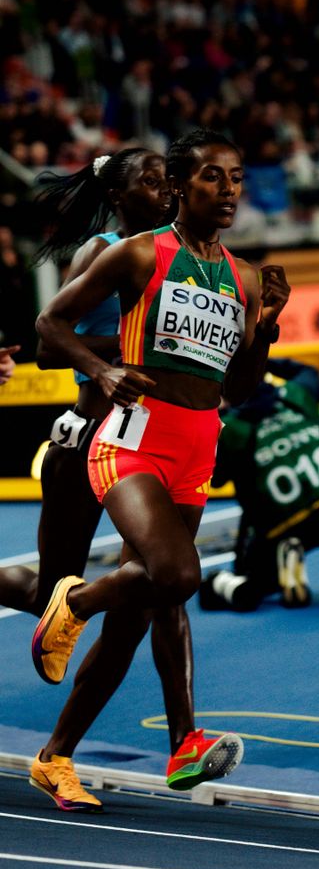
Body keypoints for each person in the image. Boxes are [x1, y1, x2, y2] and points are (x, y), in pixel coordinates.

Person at [26, 129, 290, 813]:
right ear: (180, 186)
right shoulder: (137, 253)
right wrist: (104, 369)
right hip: (128, 438)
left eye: (236, 178)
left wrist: (265, 328)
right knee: (175, 576)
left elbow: (242, 385)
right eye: (212, 178)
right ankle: (74, 602)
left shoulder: (247, 277)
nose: (229, 190)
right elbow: (49, 327)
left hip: (197, 446)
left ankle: (70, 756)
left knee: (152, 607)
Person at [2, 149, 222, 811]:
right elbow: (48, 343)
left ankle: (168, 742)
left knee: (160, 589)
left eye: (167, 179)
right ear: (119, 196)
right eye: (149, 182)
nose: (164, 190)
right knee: (53, 590)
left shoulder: (176, 258)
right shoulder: (102, 252)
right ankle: (65, 627)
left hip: (147, 448)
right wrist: (130, 358)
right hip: (83, 443)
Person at [201, 359, 319, 610]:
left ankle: (256, 578)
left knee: (242, 585)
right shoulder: (296, 394)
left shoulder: (230, 428)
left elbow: (217, 479)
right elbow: (309, 369)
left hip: (282, 525)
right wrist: (262, 359)